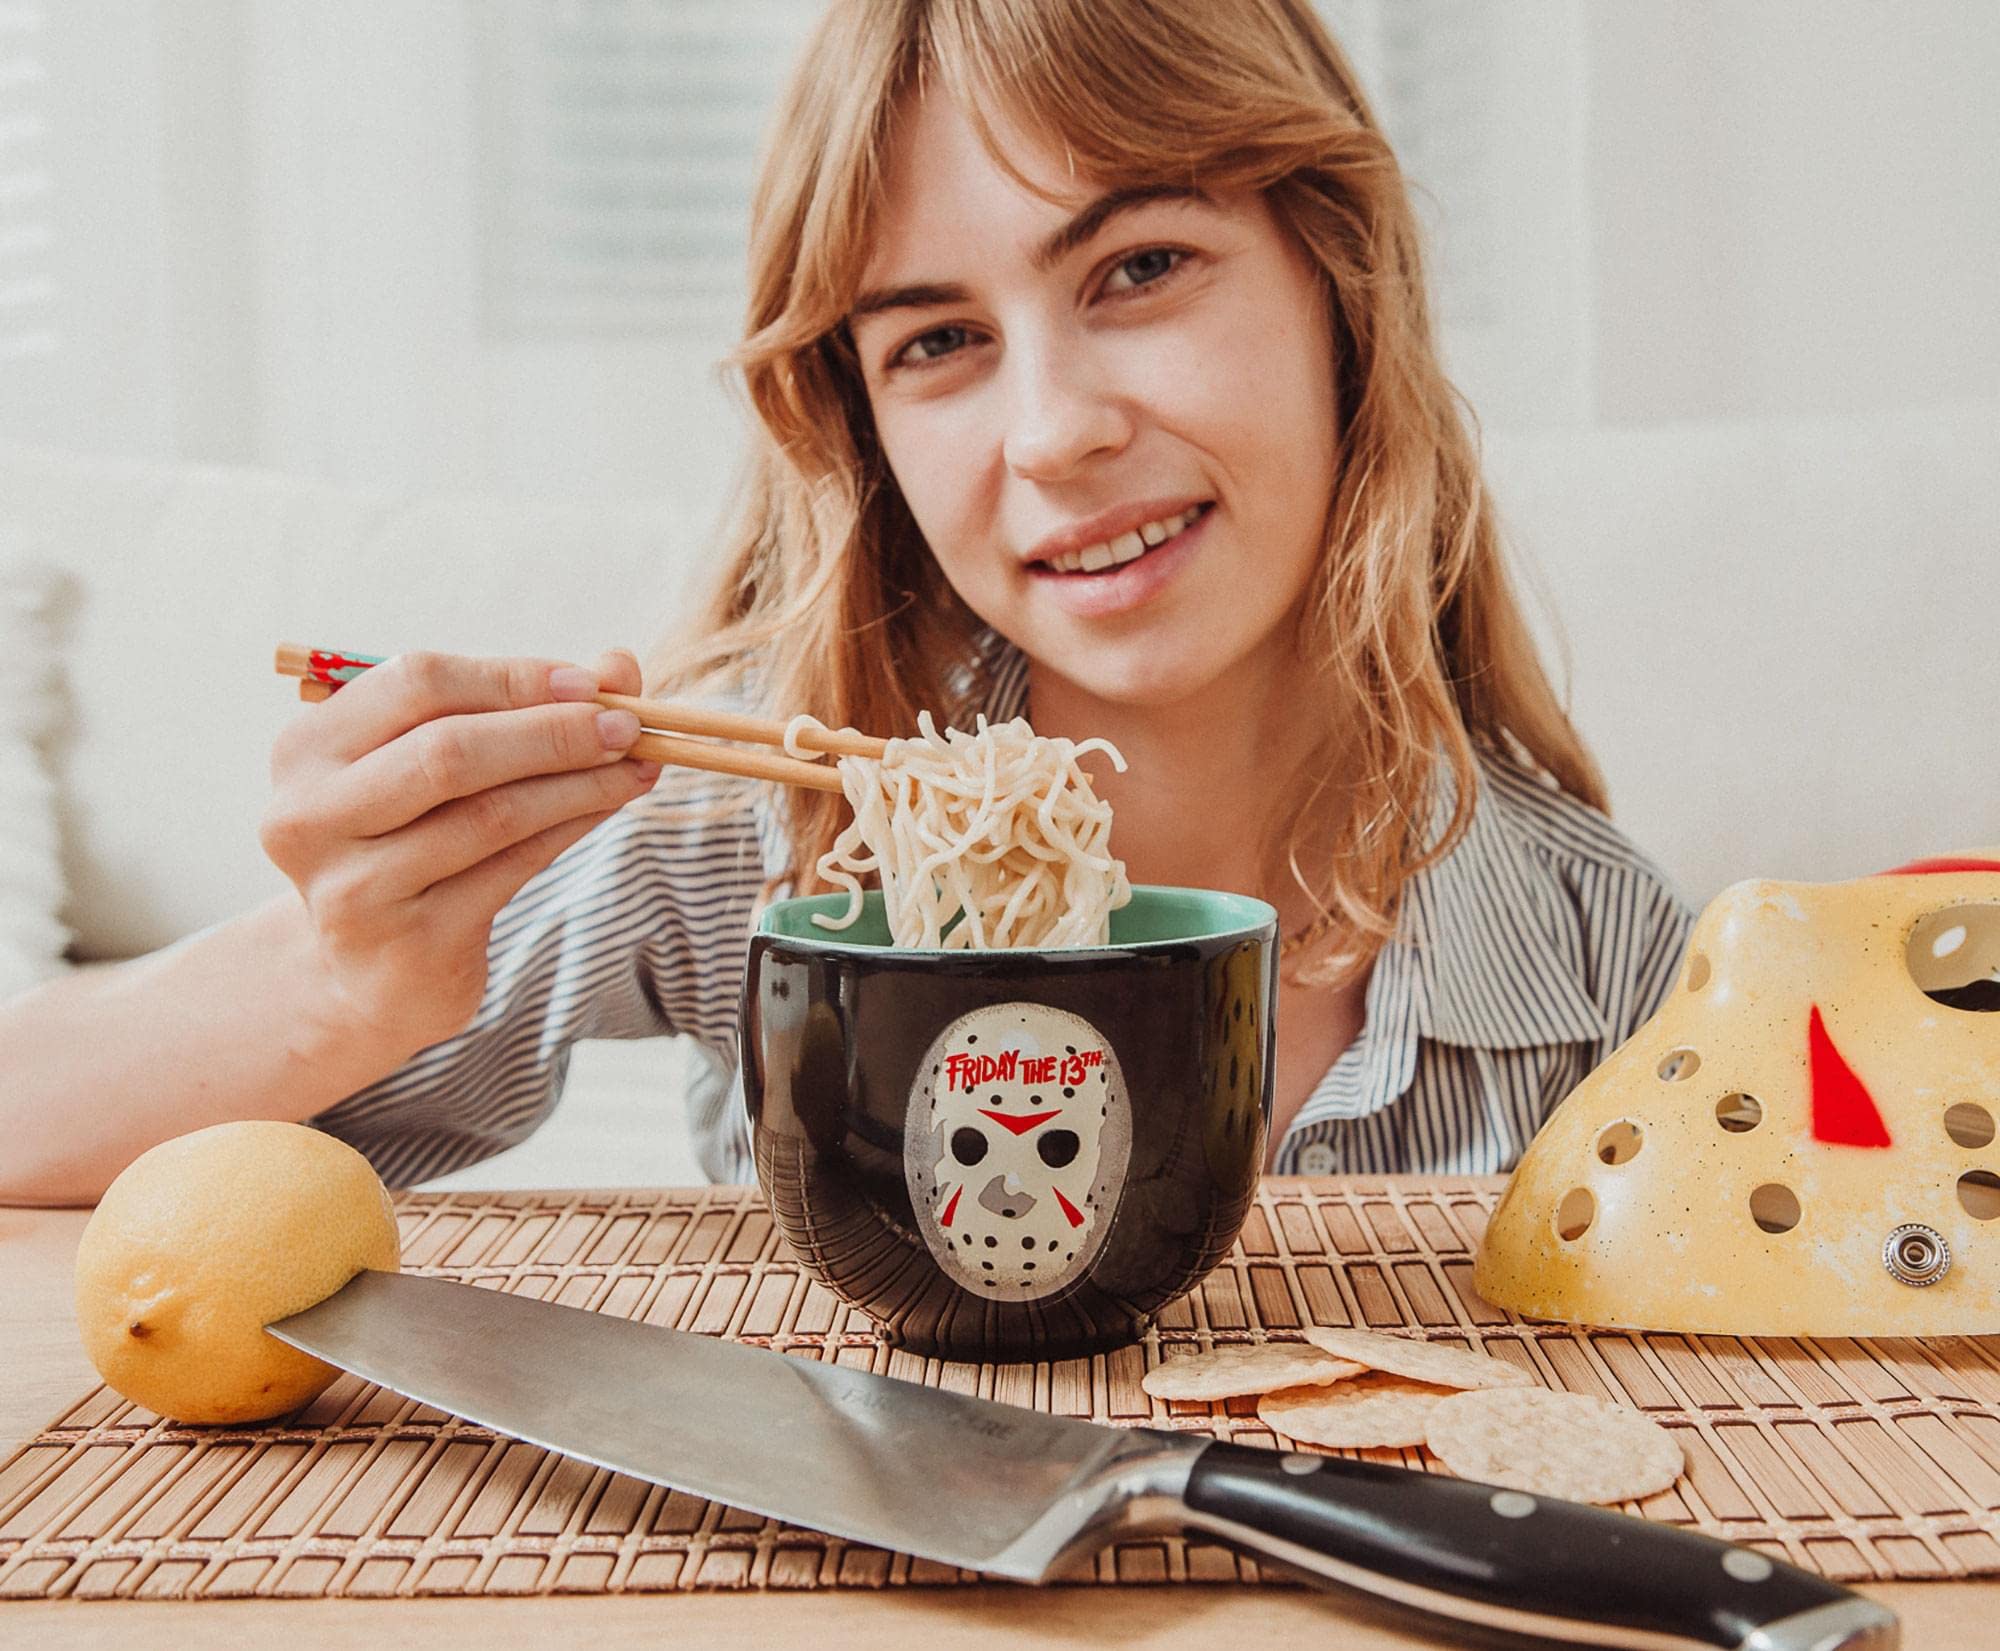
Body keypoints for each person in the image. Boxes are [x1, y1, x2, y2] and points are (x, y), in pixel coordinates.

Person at [0, 0, 1691, 1204]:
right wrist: (340, 981)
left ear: (1341, 287)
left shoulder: (1602, 951)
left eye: (1142, 267)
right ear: (866, 426)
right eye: (937, 341)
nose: (1055, 432)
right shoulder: (773, 812)